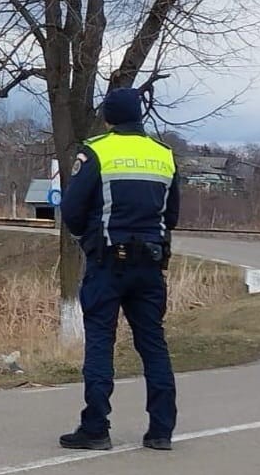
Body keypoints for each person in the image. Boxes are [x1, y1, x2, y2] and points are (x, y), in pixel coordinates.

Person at [58, 87, 180, 451]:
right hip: (150, 265)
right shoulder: (164, 155)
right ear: (139, 115)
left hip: (108, 262)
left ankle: (96, 428)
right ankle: (161, 430)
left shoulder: (96, 150)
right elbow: (171, 215)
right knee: (153, 345)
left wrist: (89, 240)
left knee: (100, 343)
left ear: (109, 117)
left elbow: (73, 208)